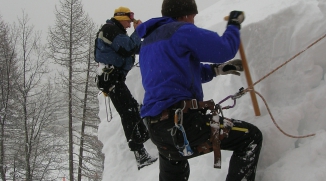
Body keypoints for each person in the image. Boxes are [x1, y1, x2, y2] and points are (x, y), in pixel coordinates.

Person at [136, 0, 263, 180]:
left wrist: (215, 70)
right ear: (185, 14)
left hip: (157, 129)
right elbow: (224, 49)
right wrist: (234, 24)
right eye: (193, 17)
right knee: (250, 137)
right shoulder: (180, 30)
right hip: (182, 124)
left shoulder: (148, 42)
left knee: (174, 162)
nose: (193, 22)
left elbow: (175, 74)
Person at [94, 6, 157, 170]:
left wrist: (151, 43)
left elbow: (134, 48)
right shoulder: (110, 30)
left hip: (114, 79)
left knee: (132, 109)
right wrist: (138, 30)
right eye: (128, 21)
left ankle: (145, 138)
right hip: (111, 79)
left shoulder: (116, 33)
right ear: (120, 17)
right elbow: (128, 48)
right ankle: (140, 154)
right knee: (128, 112)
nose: (129, 24)